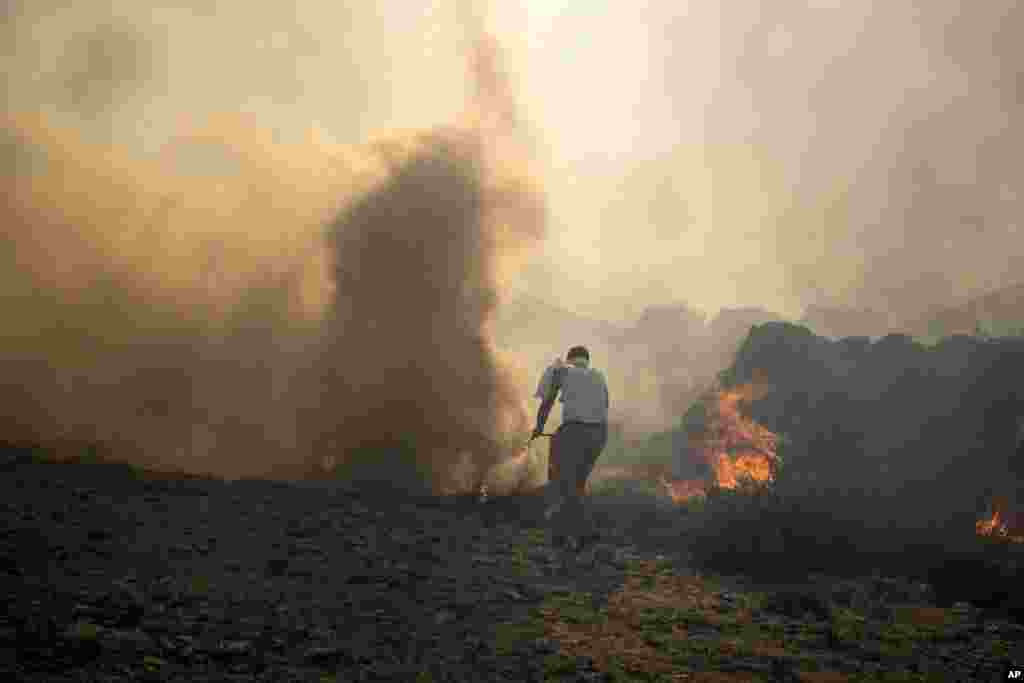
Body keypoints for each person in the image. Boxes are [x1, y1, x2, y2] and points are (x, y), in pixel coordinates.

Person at [531, 345, 609, 551]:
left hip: (575, 432)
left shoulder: (561, 370)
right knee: (577, 484)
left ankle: (585, 532)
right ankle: (565, 534)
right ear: (587, 360)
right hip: (600, 434)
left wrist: (538, 428)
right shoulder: (599, 376)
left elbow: (547, 402)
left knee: (565, 484)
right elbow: (604, 406)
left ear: (570, 358)